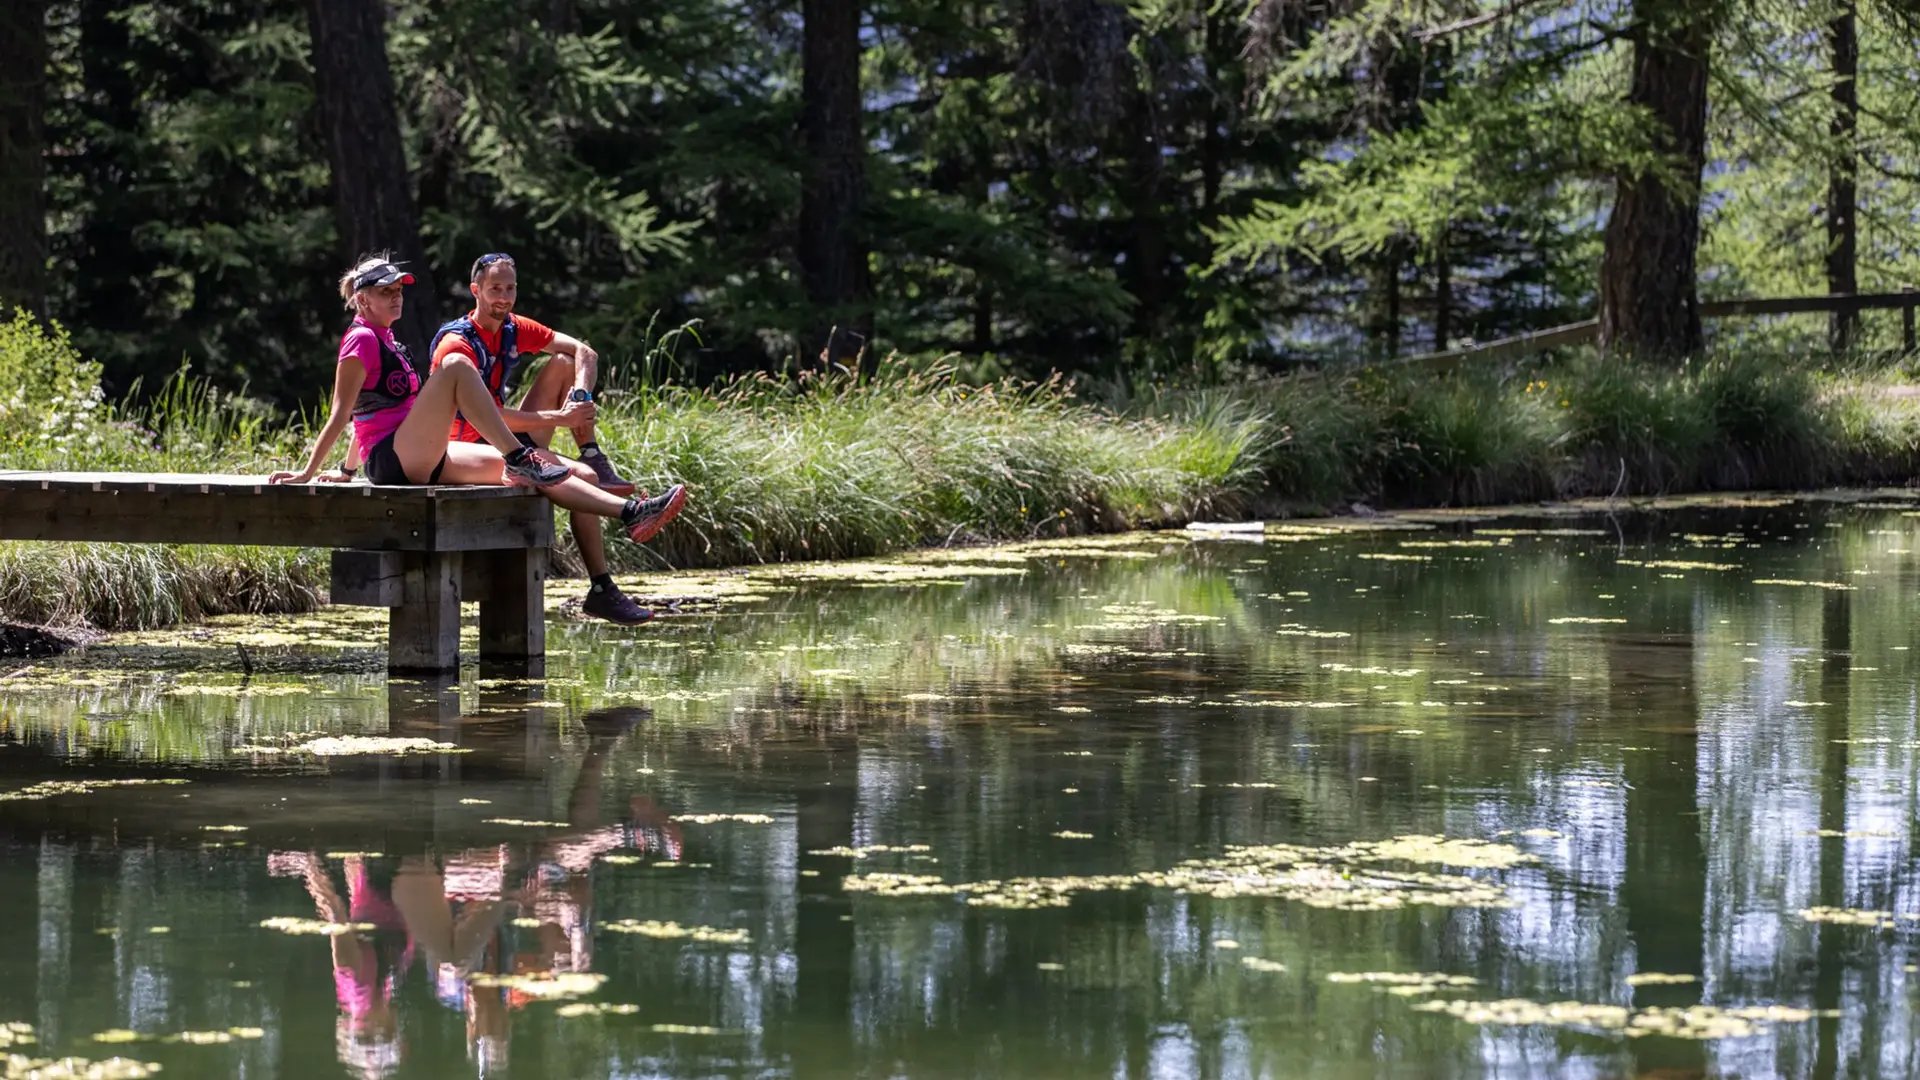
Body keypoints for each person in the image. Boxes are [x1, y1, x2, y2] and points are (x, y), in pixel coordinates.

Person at [268, 255, 688, 595]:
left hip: (421, 453)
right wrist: (307, 473)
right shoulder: (360, 339)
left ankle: (631, 513)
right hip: (395, 459)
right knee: (454, 368)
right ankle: (517, 455)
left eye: (398, 291)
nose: (397, 298)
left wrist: (345, 471)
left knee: (553, 468)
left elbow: (370, 412)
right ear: (363, 301)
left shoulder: (388, 337)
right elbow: (343, 412)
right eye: (385, 293)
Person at [430, 252, 684, 625]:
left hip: (504, 439)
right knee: (585, 478)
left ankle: (592, 451)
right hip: (465, 447)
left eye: (510, 288)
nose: (504, 296)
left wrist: (580, 395)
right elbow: (482, 415)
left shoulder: (514, 327)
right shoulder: (456, 344)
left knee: (566, 361)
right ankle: (605, 583)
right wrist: (559, 418)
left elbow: (585, 351)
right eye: (495, 288)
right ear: (476, 290)